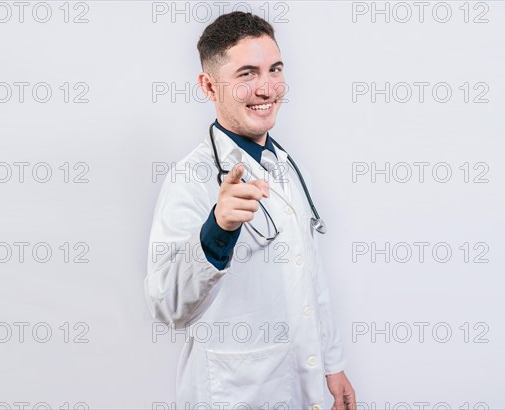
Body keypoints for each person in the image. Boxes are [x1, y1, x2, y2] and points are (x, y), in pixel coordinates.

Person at [145, 11, 356, 410]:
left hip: (303, 385)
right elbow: (167, 306)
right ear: (209, 85)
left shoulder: (290, 168)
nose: (266, 88)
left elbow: (311, 278)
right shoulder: (190, 178)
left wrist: (333, 364)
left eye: (274, 69)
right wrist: (218, 228)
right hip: (235, 391)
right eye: (246, 74)